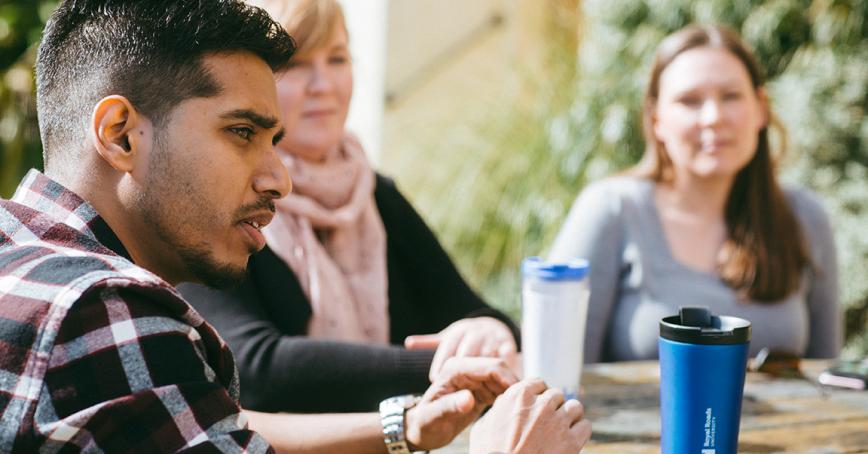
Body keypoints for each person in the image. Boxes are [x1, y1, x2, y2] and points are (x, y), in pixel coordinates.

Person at [0, 0, 592, 452]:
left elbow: (214, 422)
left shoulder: (19, 249)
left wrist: (405, 424)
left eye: (273, 140)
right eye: (241, 133)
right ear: (121, 134)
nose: (279, 179)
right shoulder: (102, 314)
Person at [179, 0, 520, 414]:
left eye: (338, 58)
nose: (323, 83)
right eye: (298, 63)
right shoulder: (221, 198)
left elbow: (474, 313)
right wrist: (447, 366)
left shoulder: (375, 194)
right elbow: (253, 367)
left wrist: (487, 332)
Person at [549, 24, 840, 363]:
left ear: (761, 108)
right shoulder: (611, 210)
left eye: (730, 97)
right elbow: (556, 373)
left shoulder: (805, 217)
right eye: (689, 101)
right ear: (657, 120)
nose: (713, 117)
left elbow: (829, 376)